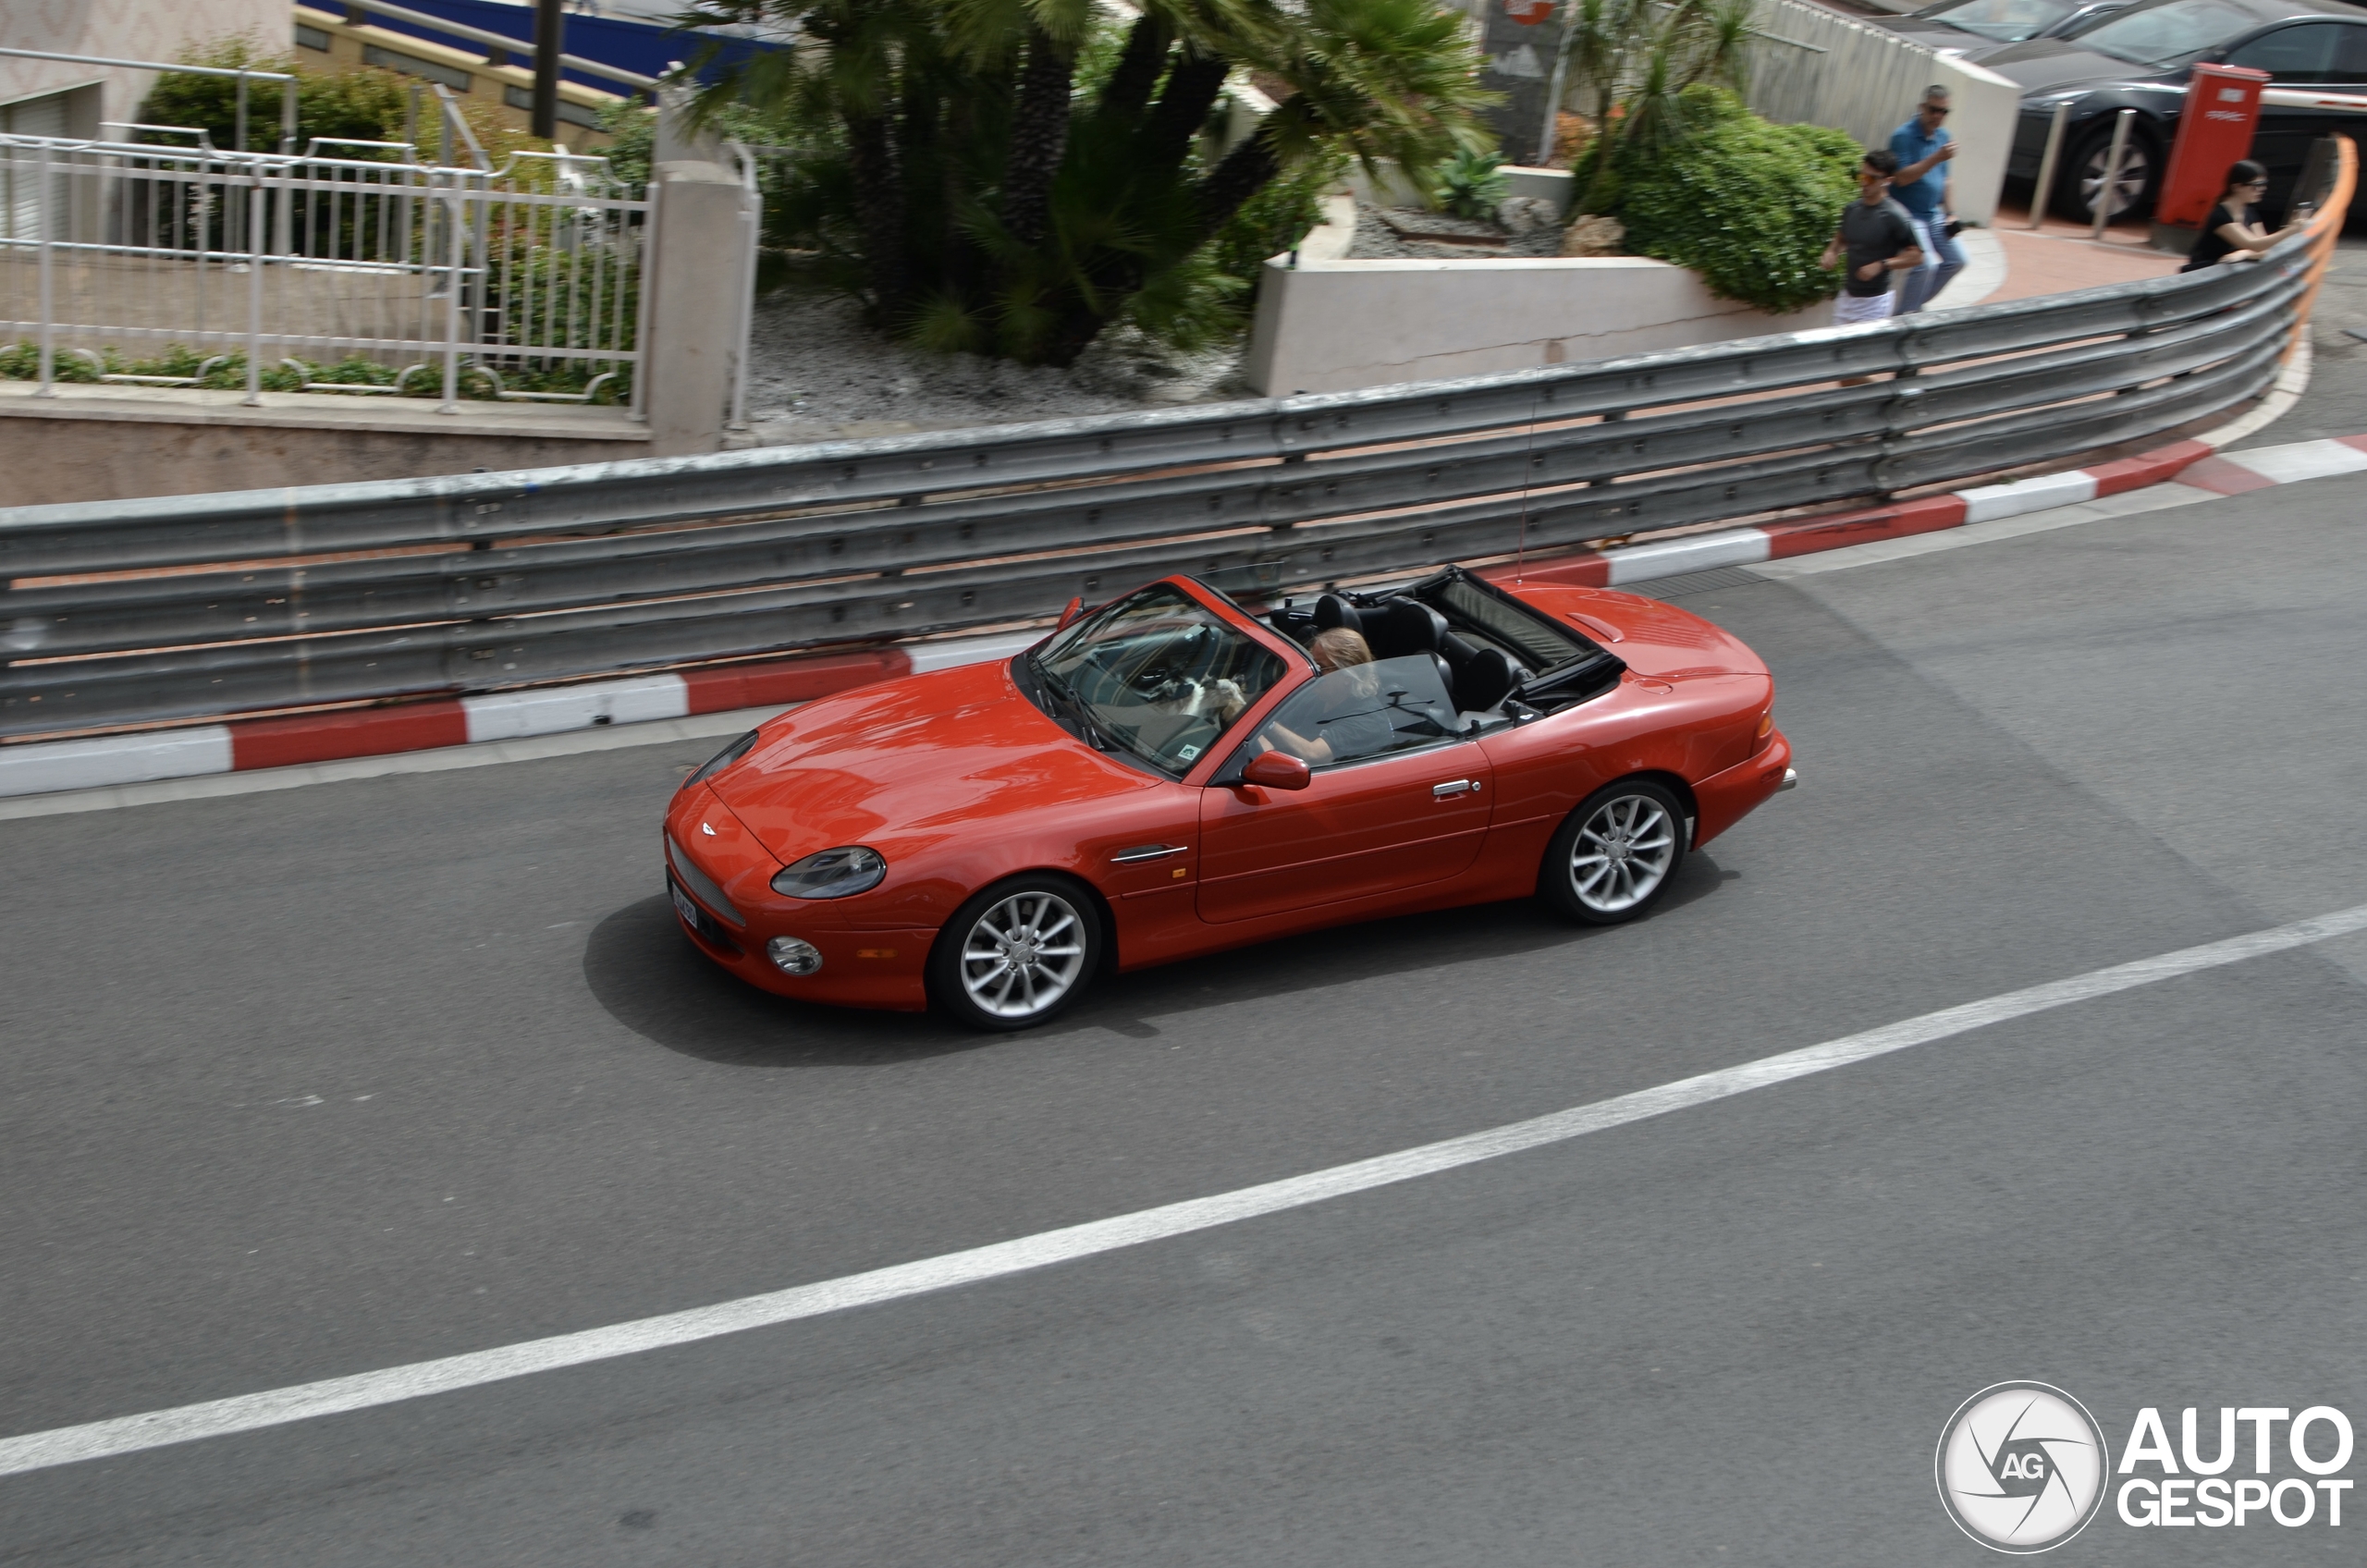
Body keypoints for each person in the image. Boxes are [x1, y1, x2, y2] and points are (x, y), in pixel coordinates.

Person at [1257, 628, 1396, 766]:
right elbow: (1274, 734)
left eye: (1321, 668)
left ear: (1348, 674)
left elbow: (1313, 754)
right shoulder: (1316, 696)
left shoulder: (1368, 720)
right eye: (1313, 665)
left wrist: (1264, 722)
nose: (1313, 674)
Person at [1821, 149, 1923, 333]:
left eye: (1871, 179)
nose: (1864, 183)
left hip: (1875, 303)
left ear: (1887, 181)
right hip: (1847, 298)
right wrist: (1831, 252)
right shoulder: (1852, 210)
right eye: (1862, 176)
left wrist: (1882, 264)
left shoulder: (1896, 215)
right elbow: (1841, 239)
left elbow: (1916, 256)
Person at [1889, 86, 1965, 314]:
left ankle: (1911, 307)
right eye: (1933, 110)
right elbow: (1901, 179)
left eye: (1944, 112)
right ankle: (1905, 317)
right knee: (1926, 264)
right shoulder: (1903, 136)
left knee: (1957, 260)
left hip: (1932, 214)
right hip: (1908, 214)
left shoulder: (1943, 136)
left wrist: (1951, 213)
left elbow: (1946, 179)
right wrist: (1936, 157)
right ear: (1922, 108)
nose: (1938, 117)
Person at [2182, 161, 2312, 271]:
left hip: (2226, 273)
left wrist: (2244, 253)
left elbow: (2263, 249)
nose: (2262, 189)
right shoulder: (2220, 215)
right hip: (2204, 273)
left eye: (2264, 184)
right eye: (2256, 185)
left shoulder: (2250, 212)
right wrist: (2292, 229)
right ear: (2237, 187)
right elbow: (2254, 244)